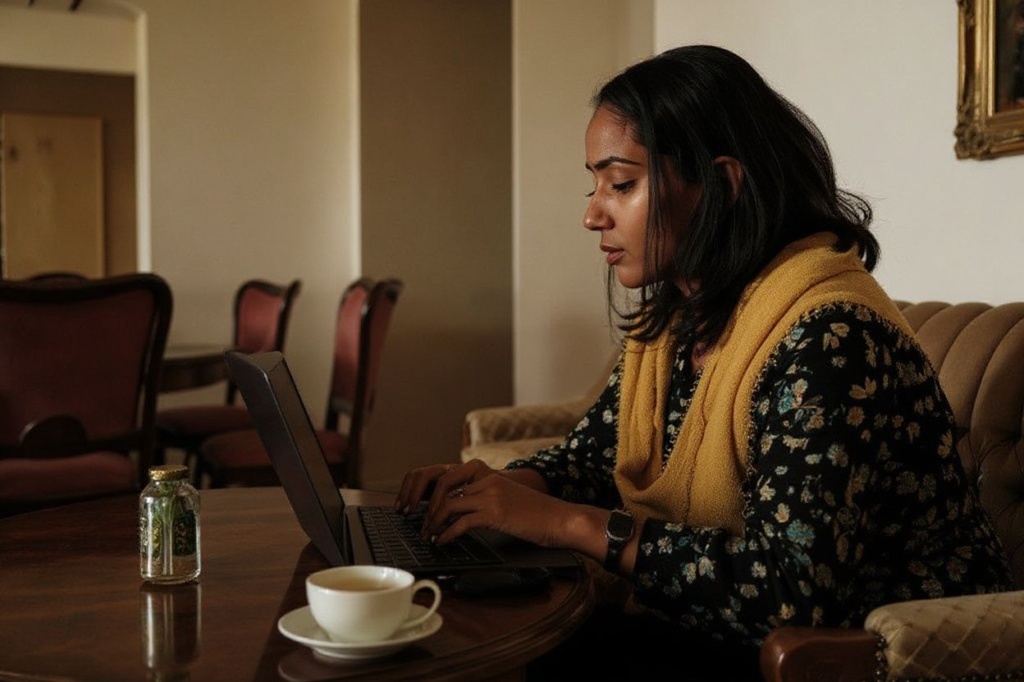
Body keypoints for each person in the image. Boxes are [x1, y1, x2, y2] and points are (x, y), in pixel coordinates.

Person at [395, 45, 1012, 680]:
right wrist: (492, 490)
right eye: (594, 183)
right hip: (724, 632)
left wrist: (568, 524)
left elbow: (792, 591)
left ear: (721, 183)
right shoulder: (681, 318)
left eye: (622, 184)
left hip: (870, 655)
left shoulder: (831, 336)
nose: (591, 214)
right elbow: (589, 457)